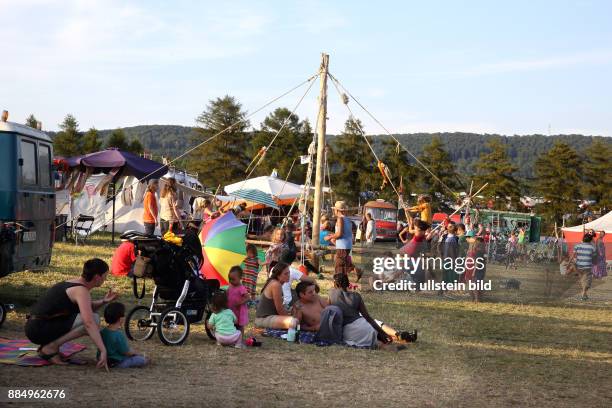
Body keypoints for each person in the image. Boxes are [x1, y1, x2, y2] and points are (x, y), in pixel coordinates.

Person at [24, 258, 118, 367]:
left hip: (37, 325)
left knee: (91, 318)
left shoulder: (74, 283)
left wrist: (103, 301)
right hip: (38, 329)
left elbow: (87, 307)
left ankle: (50, 347)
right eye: (105, 276)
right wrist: (103, 350)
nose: (105, 279)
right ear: (97, 277)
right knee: (94, 319)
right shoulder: (81, 291)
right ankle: (50, 348)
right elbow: (88, 322)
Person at [328, 273, 391, 348]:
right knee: (378, 341)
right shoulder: (356, 296)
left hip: (350, 331)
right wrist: (384, 334)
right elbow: (368, 317)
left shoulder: (331, 293)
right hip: (368, 329)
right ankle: (381, 339)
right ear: (348, 283)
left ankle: (379, 341)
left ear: (335, 284)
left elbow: (327, 313)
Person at [99, 302, 150, 368]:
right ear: (120, 319)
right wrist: (136, 353)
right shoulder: (118, 334)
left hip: (103, 360)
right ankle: (145, 360)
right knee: (137, 359)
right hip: (117, 363)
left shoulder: (103, 332)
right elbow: (126, 352)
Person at [255, 262, 299, 330]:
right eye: (285, 273)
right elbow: (279, 309)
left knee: (296, 315)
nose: (288, 275)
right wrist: (289, 317)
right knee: (294, 322)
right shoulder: (276, 285)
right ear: (278, 275)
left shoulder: (275, 283)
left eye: (289, 273)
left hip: (270, 316)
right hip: (263, 319)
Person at [324, 201, 358, 281]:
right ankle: (356, 272)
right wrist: (333, 235)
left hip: (342, 246)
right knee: (344, 265)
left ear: (337, 210)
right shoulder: (348, 219)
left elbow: (340, 234)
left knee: (339, 267)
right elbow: (345, 233)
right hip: (347, 245)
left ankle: (339, 284)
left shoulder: (340, 219)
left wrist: (329, 237)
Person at [571, 233, 597, 300]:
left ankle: (585, 295)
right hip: (587, 266)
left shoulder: (577, 246)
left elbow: (573, 255)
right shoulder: (592, 247)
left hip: (579, 266)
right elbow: (594, 258)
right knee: (588, 281)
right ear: (590, 240)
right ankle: (583, 294)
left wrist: (570, 263)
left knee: (583, 280)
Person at [227, 266, 249, 336]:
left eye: (233, 279)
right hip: (231, 309)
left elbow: (248, 298)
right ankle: (232, 336)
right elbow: (227, 293)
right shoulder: (230, 286)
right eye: (230, 279)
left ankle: (240, 337)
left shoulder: (241, 288)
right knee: (231, 323)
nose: (231, 281)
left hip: (239, 310)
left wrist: (240, 302)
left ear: (240, 278)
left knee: (239, 325)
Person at [464, 237, 487, 302]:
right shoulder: (481, 251)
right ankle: (476, 298)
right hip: (477, 268)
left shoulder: (476, 251)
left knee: (475, 284)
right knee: (476, 284)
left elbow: (477, 262)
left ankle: (476, 298)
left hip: (476, 269)